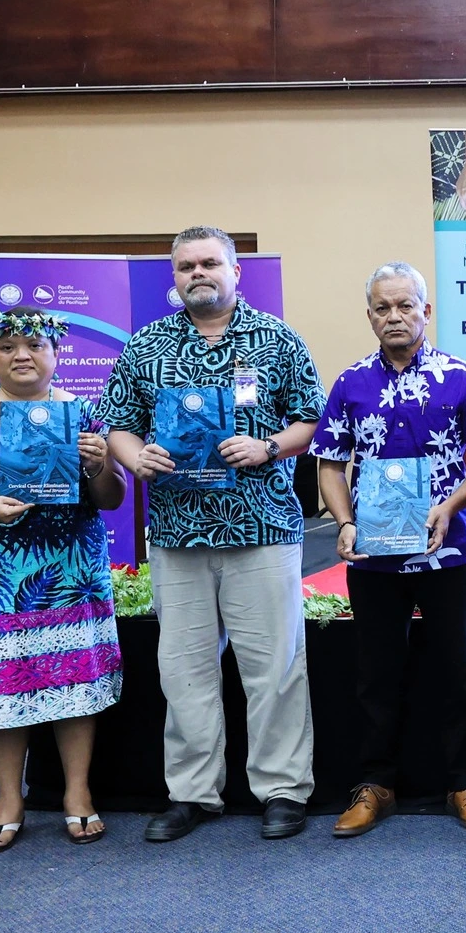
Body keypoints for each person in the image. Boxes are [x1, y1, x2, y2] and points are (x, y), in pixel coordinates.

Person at [100, 226, 324, 843]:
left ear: (235, 271)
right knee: (183, 669)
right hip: (177, 531)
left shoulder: (278, 340)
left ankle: (281, 788)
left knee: (274, 666)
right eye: (185, 267)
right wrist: (134, 454)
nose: (198, 274)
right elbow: (119, 424)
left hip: (262, 527)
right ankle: (192, 793)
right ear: (174, 277)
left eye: (209, 263)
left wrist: (270, 445)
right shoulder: (145, 346)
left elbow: (313, 416)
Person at [0, 309, 127, 852]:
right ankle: (8, 798)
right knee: (4, 688)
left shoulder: (82, 413)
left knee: (74, 684)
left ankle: (77, 794)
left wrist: (99, 465)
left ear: (55, 353)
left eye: (34, 344)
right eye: (8, 346)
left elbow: (111, 500)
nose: (22, 355)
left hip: (72, 573)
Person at [311, 263, 466, 838]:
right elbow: (329, 464)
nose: (394, 316)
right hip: (373, 555)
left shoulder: (461, 377)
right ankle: (375, 785)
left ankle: (464, 783)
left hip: (447, 550)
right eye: (382, 308)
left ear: (425, 310)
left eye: (404, 305)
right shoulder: (350, 382)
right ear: (369, 315)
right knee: (375, 672)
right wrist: (343, 522)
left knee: (458, 667)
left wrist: (450, 507)